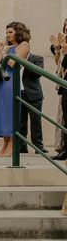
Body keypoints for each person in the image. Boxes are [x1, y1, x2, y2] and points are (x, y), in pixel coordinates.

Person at [0, 21, 31, 157]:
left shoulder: (24, 45)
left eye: (10, 32)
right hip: (1, 83)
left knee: (10, 113)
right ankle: (5, 144)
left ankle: (13, 145)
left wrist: (4, 54)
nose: (7, 35)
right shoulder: (7, 47)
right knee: (2, 113)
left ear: (18, 32)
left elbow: (14, 63)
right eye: (6, 32)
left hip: (11, 83)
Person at [19, 53, 46, 153]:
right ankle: (22, 146)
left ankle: (38, 146)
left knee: (36, 121)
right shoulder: (14, 58)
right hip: (19, 94)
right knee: (20, 121)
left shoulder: (37, 58)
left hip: (33, 93)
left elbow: (38, 73)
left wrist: (24, 63)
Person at [50, 19, 67, 160]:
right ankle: (64, 148)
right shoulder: (63, 43)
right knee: (64, 118)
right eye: (65, 24)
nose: (66, 27)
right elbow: (59, 63)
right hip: (63, 84)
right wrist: (57, 48)